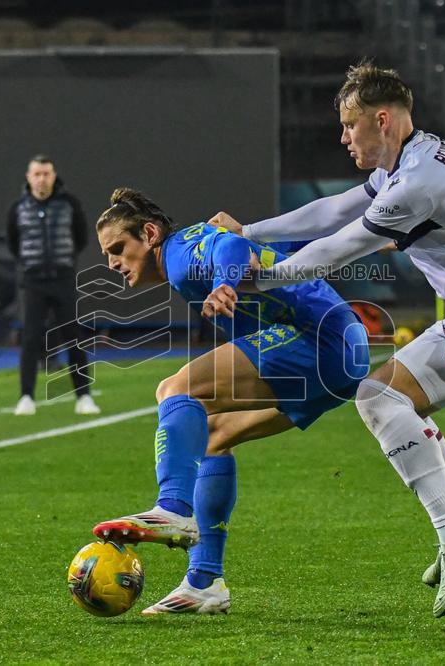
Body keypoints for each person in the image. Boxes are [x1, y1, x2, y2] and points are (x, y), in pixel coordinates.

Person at [208, 62, 445, 617]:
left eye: (350, 125)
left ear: (383, 120)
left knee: (378, 397)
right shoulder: (413, 160)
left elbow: (340, 247)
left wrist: (258, 278)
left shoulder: (418, 182)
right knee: (390, 402)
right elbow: (335, 209)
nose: (343, 137)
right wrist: (249, 232)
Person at [91, 188, 369, 614]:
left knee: (175, 389)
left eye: (117, 249)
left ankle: (173, 507)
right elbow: (267, 250)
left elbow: (232, 245)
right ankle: (204, 582)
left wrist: (224, 282)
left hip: (319, 341)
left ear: (149, 234)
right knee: (213, 436)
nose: (112, 263)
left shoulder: (178, 254)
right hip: (344, 355)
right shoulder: (184, 256)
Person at [7, 155, 100, 416]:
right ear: (29, 177)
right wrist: (32, 264)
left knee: (74, 337)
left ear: (54, 176)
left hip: (63, 279)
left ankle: (84, 396)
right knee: (30, 338)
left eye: (46, 174)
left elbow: (80, 237)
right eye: (37, 174)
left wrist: (63, 262)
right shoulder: (18, 208)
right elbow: (14, 243)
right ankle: (26, 396)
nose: (42, 179)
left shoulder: (69, 204)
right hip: (33, 282)